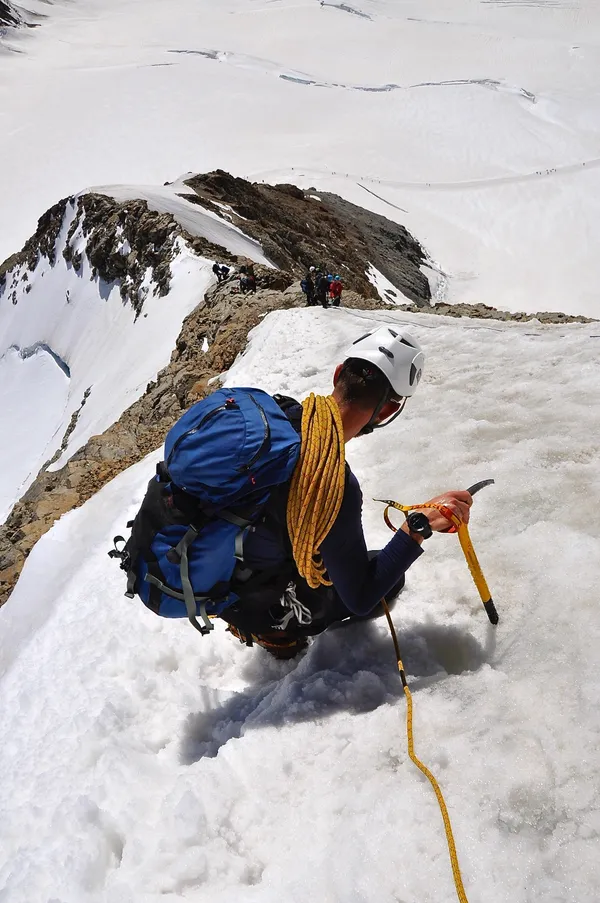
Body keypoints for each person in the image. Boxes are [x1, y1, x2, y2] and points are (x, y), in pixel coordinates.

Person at [219, 326, 473, 657]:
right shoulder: (332, 484)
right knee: (386, 580)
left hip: (208, 572)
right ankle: (277, 630)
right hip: (253, 602)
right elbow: (362, 596)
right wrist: (416, 528)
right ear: (388, 410)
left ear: (338, 373)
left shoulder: (276, 414)